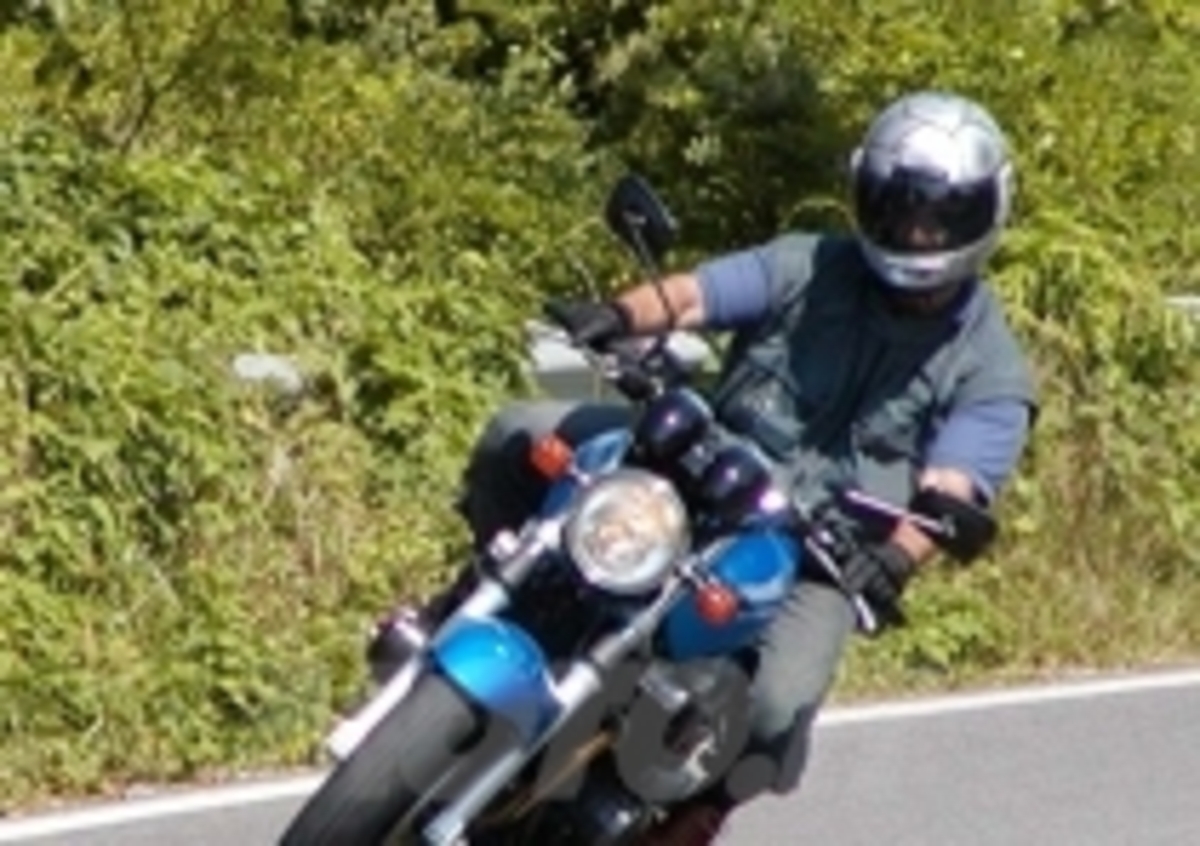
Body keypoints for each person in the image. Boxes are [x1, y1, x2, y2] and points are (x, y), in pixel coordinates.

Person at [370, 90, 1037, 845]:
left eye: (940, 216)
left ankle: (689, 817)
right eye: (901, 205)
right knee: (518, 433)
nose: (917, 230)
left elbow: (954, 485)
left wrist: (892, 559)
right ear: (865, 192)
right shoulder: (810, 261)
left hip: (818, 552)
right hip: (701, 461)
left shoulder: (991, 369)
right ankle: (474, 595)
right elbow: (696, 295)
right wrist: (619, 316)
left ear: (984, 215)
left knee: (778, 709)